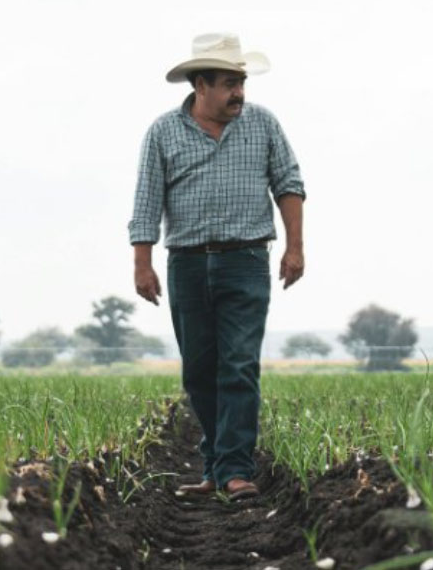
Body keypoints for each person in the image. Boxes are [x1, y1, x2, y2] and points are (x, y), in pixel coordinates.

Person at [128, 33, 306, 500]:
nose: (239, 93)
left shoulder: (263, 125)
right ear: (200, 84)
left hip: (246, 260)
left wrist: (295, 247)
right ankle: (215, 466)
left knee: (240, 366)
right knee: (199, 372)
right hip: (186, 265)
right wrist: (142, 264)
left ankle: (235, 470)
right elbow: (147, 200)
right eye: (229, 83)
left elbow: (289, 183)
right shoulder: (163, 132)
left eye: (242, 82)